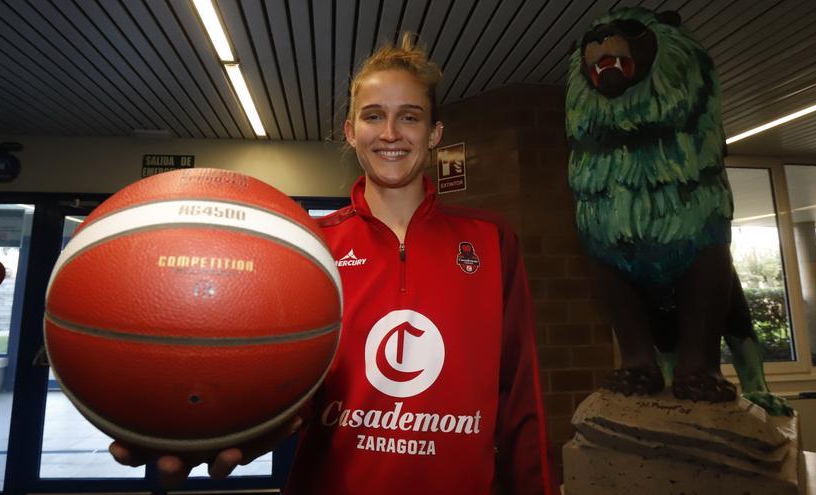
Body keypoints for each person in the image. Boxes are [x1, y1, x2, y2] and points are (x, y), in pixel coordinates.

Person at [110, 33, 556, 495]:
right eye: (373, 116)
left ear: (435, 133)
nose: (390, 133)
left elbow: (521, 401)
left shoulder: (490, 241)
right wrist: (222, 426)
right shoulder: (312, 249)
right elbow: (285, 386)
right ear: (350, 131)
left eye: (410, 116)